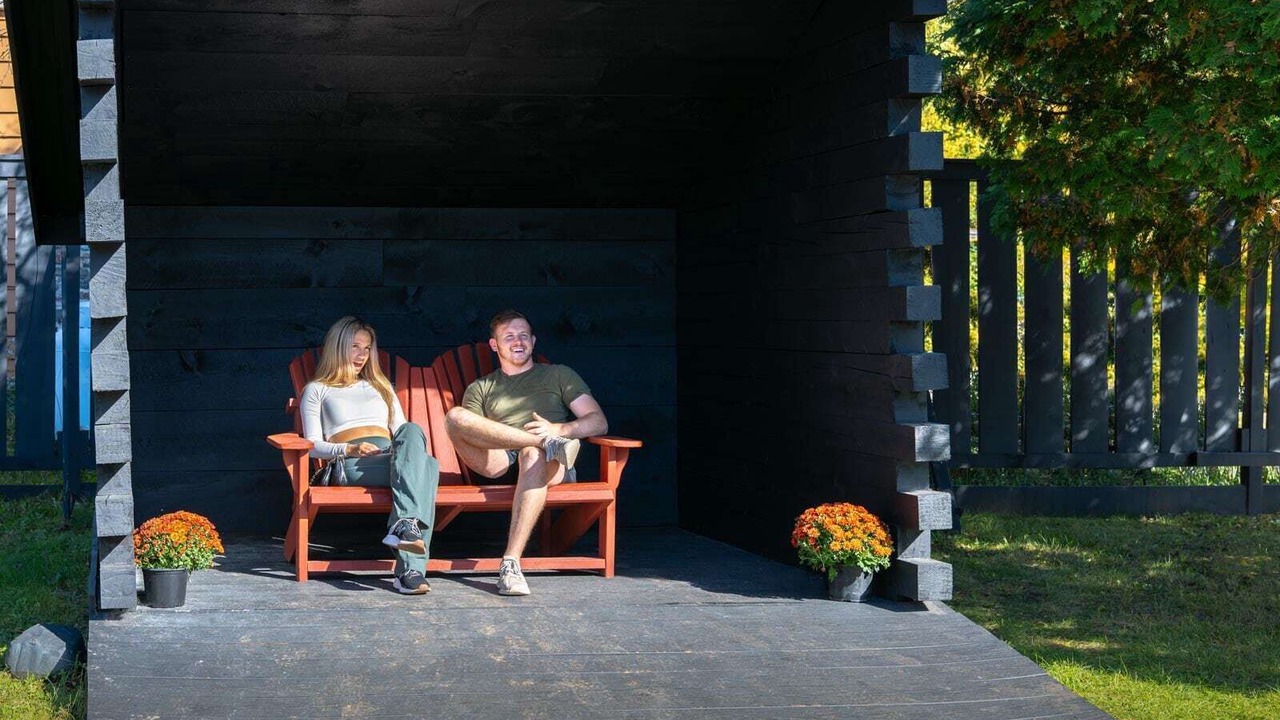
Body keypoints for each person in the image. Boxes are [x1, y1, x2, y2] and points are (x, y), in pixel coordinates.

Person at [444, 310, 609, 596]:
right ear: (494, 345)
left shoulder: (558, 374)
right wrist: (539, 439)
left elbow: (598, 422)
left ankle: (511, 562)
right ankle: (541, 442)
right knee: (455, 417)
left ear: (533, 341)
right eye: (509, 336)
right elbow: (470, 432)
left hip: (550, 464)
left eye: (523, 335)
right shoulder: (481, 388)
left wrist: (558, 429)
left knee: (532, 454)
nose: (517, 341)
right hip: (498, 461)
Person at [300, 316, 441, 595]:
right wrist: (348, 448)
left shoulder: (381, 387)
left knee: (414, 434)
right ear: (338, 347)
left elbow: (403, 433)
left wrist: (398, 452)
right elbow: (312, 445)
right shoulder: (317, 389)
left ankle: (405, 527)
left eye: (366, 348)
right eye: (355, 346)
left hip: (390, 458)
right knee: (428, 468)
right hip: (351, 464)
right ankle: (410, 571)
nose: (362, 355)